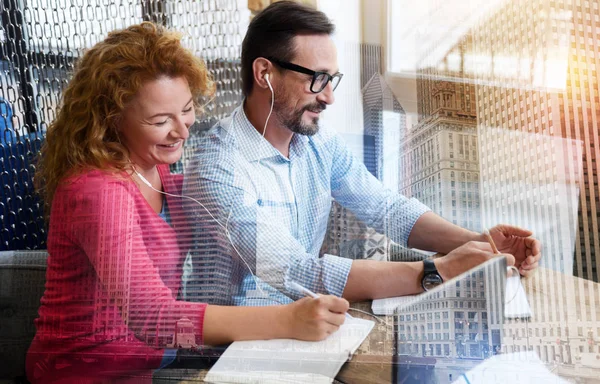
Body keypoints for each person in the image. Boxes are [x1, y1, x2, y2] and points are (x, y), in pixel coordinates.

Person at [26, 22, 349, 384]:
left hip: (150, 368)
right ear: (112, 121)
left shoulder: (160, 174)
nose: (182, 130)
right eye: (161, 120)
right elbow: (153, 318)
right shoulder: (97, 191)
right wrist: (289, 320)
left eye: (187, 109)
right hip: (86, 376)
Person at [182, 1, 541, 306]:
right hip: (234, 352)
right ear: (265, 74)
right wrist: (439, 270)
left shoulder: (316, 142)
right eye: (317, 79)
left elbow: (386, 208)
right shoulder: (218, 168)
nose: (329, 97)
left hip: (306, 324)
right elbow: (298, 270)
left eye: (331, 80)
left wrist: (480, 245)